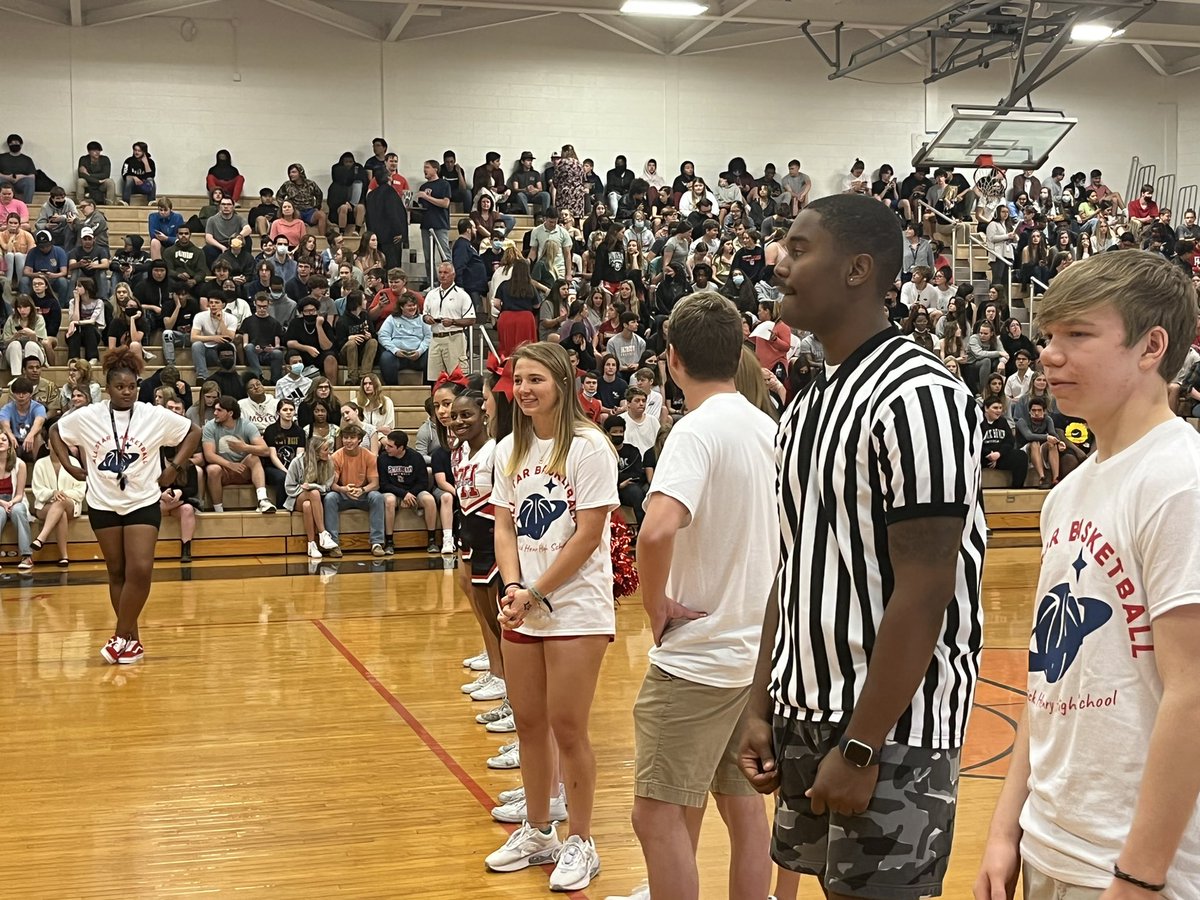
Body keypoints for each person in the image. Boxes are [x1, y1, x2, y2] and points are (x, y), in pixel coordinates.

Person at [738, 195, 986, 900]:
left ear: (857, 269)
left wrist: (861, 744)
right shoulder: (809, 403)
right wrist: (761, 706)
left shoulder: (919, 396)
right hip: (804, 711)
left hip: (890, 731)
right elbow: (794, 572)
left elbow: (928, 587)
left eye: (799, 246)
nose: (778, 261)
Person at [975, 250, 1200, 900]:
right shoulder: (1067, 495)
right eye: (1049, 336)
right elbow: (1049, 673)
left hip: (1131, 868)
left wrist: (1138, 875)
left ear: (1150, 347)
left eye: (1078, 335)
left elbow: (1192, 694)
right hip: (1051, 844)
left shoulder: (1177, 481)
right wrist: (1006, 827)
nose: (1048, 354)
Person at [614, 291, 778, 900]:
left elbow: (656, 528)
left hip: (700, 656)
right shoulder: (770, 428)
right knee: (742, 808)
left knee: (653, 814)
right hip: (757, 657)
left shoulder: (694, 430)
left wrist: (652, 604)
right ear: (738, 354)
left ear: (671, 359)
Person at [485, 341, 618, 893]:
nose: (526, 390)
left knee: (568, 727)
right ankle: (540, 828)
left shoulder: (589, 448)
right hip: (525, 603)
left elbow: (589, 535)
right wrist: (514, 586)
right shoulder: (509, 449)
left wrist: (535, 592)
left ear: (562, 383)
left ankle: (581, 840)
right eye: (520, 381)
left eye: (537, 379)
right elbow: (503, 526)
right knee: (529, 722)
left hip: (577, 608)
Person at [50, 348, 200, 661]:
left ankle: (119, 636)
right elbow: (55, 432)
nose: (127, 392)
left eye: (132, 386)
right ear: (108, 388)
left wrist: (173, 468)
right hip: (103, 503)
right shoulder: (89, 416)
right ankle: (133, 641)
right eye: (120, 387)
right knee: (117, 572)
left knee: (141, 570)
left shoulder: (152, 414)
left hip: (142, 501)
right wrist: (68, 466)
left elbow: (193, 432)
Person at [448, 390, 507, 703]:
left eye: (466, 415)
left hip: (493, 536)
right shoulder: (457, 453)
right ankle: (498, 672)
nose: (459, 421)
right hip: (470, 535)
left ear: (485, 415)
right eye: (455, 416)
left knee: (499, 617)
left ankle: (508, 681)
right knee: (486, 616)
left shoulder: (498, 450)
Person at [202, 395, 277, 514]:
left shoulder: (246, 425)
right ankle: (218, 510)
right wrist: (230, 464)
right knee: (212, 469)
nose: (215, 413)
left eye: (219, 410)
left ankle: (263, 500)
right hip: (223, 470)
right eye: (214, 410)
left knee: (254, 457)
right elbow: (209, 455)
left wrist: (245, 447)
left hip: (243, 469)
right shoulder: (210, 426)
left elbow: (265, 450)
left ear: (230, 413)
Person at [323, 423, 386, 557]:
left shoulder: (369, 456)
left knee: (377, 496)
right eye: (345, 437)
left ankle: (377, 543)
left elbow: (375, 484)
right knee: (329, 498)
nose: (348, 441)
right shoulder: (336, 457)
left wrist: (362, 490)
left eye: (352, 437)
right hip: (343, 494)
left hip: (363, 494)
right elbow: (331, 485)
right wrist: (343, 489)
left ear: (359, 440)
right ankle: (333, 543)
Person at [377, 430, 437, 556]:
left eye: (390, 446)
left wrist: (410, 494)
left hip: (413, 492)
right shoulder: (382, 459)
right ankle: (389, 541)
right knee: (389, 501)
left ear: (401, 448)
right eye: (386, 445)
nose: (386, 448)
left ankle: (432, 540)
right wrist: (403, 494)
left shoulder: (416, 457)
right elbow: (383, 485)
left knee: (429, 500)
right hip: (393, 492)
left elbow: (423, 483)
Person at [30, 443, 87, 567]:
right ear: (46, 445)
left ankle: (41, 538)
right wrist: (52, 493)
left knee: (61, 502)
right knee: (61, 513)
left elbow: (81, 489)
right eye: (53, 441)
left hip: (70, 503)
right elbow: (37, 489)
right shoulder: (40, 463)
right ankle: (63, 556)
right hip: (45, 505)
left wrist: (62, 494)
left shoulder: (74, 462)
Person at [285, 434, 339, 559]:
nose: (329, 452)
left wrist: (313, 486)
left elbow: (327, 486)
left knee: (308, 505)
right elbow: (289, 487)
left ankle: (311, 545)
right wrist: (306, 489)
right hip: (296, 497)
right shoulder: (297, 462)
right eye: (325, 450)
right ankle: (323, 534)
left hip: (317, 499)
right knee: (313, 494)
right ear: (316, 452)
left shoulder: (329, 462)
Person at [423, 261, 476, 381]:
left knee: (457, 376)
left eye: (446, 273)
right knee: (434, 377)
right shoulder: (431, 294)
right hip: (435, 337)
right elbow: (424, 314)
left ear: (453, 275)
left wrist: (453, 322)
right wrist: (427, 318)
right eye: (440, 272)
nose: (442, 275)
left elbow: (471, 319)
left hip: (454, 337)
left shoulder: (462, 295)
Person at [0, 431, 34, 570]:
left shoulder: (20, 464)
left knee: (19, 510)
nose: (0, 442)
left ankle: (27, 556)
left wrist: (11, 503)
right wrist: (2, 503)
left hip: (15, 499)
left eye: (3, 439)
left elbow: (20, 493)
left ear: (9, 445)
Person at [417, 160, 452, 282]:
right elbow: (422, 207)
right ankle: (430, 281)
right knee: (428, 257)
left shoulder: (444, 184)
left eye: (427, 167)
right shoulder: (423, 187)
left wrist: (426, 197)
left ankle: (449, 281)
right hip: (426, 225)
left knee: (445, 255)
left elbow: (445, 203)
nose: (424, 170)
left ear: (435, 169)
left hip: (440, 224)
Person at [981, 397, 1028, 487]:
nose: (998, 411)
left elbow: (1009, 441)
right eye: (995, 408)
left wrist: (999, 454)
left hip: (1000, 455)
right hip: (983, 456)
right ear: (986, 408)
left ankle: (1017, 488)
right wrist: (989, 454)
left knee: (1021, 456)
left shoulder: (1003, 421)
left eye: (1000, 408)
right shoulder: (978, 421)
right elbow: (975, 442)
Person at [0, 134, 36, 203]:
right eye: (11, 143)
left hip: (20, 183)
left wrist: (20, 177)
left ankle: (26, 205)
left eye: (16, 143)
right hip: (4, 182)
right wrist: (8, 177)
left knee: (29, 181)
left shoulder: (27, 159)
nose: (14, 145)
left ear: (21, 145)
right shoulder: (1, 157)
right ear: (8, 145)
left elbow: (32, 176)